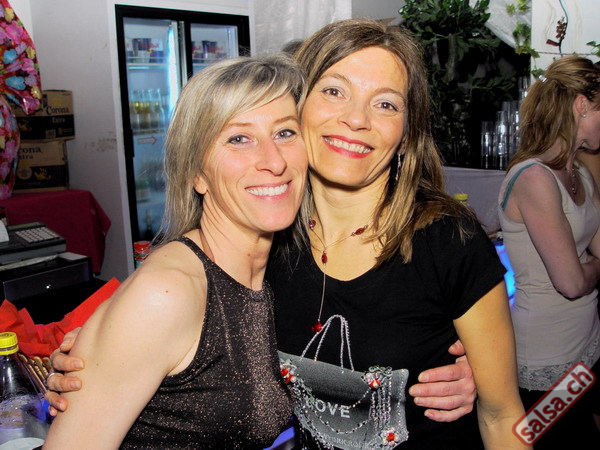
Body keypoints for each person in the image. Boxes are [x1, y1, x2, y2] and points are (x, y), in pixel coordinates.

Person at [46, 19, 523, 449]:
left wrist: (480, 378)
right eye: (334, 91)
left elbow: (503, 416)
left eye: (385, 103)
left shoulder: (447, 242)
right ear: (303, 109)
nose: (357, 119)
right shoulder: (269, 242)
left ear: (406, 133)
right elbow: (163, 308)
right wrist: (92, 356)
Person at [42, 55, 308, 448]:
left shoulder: (277, 271)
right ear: (197, 173)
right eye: (239, 138)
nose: (275, 160)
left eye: (285, 133)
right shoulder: (167, 294)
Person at [498, 55, 600, 448]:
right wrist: (591, 267)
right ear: (581, 105)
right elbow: (571, 282)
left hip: (585, 345)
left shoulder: (580, 173)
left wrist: (588, 265)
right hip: (544, 359)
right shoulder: (534, 177)